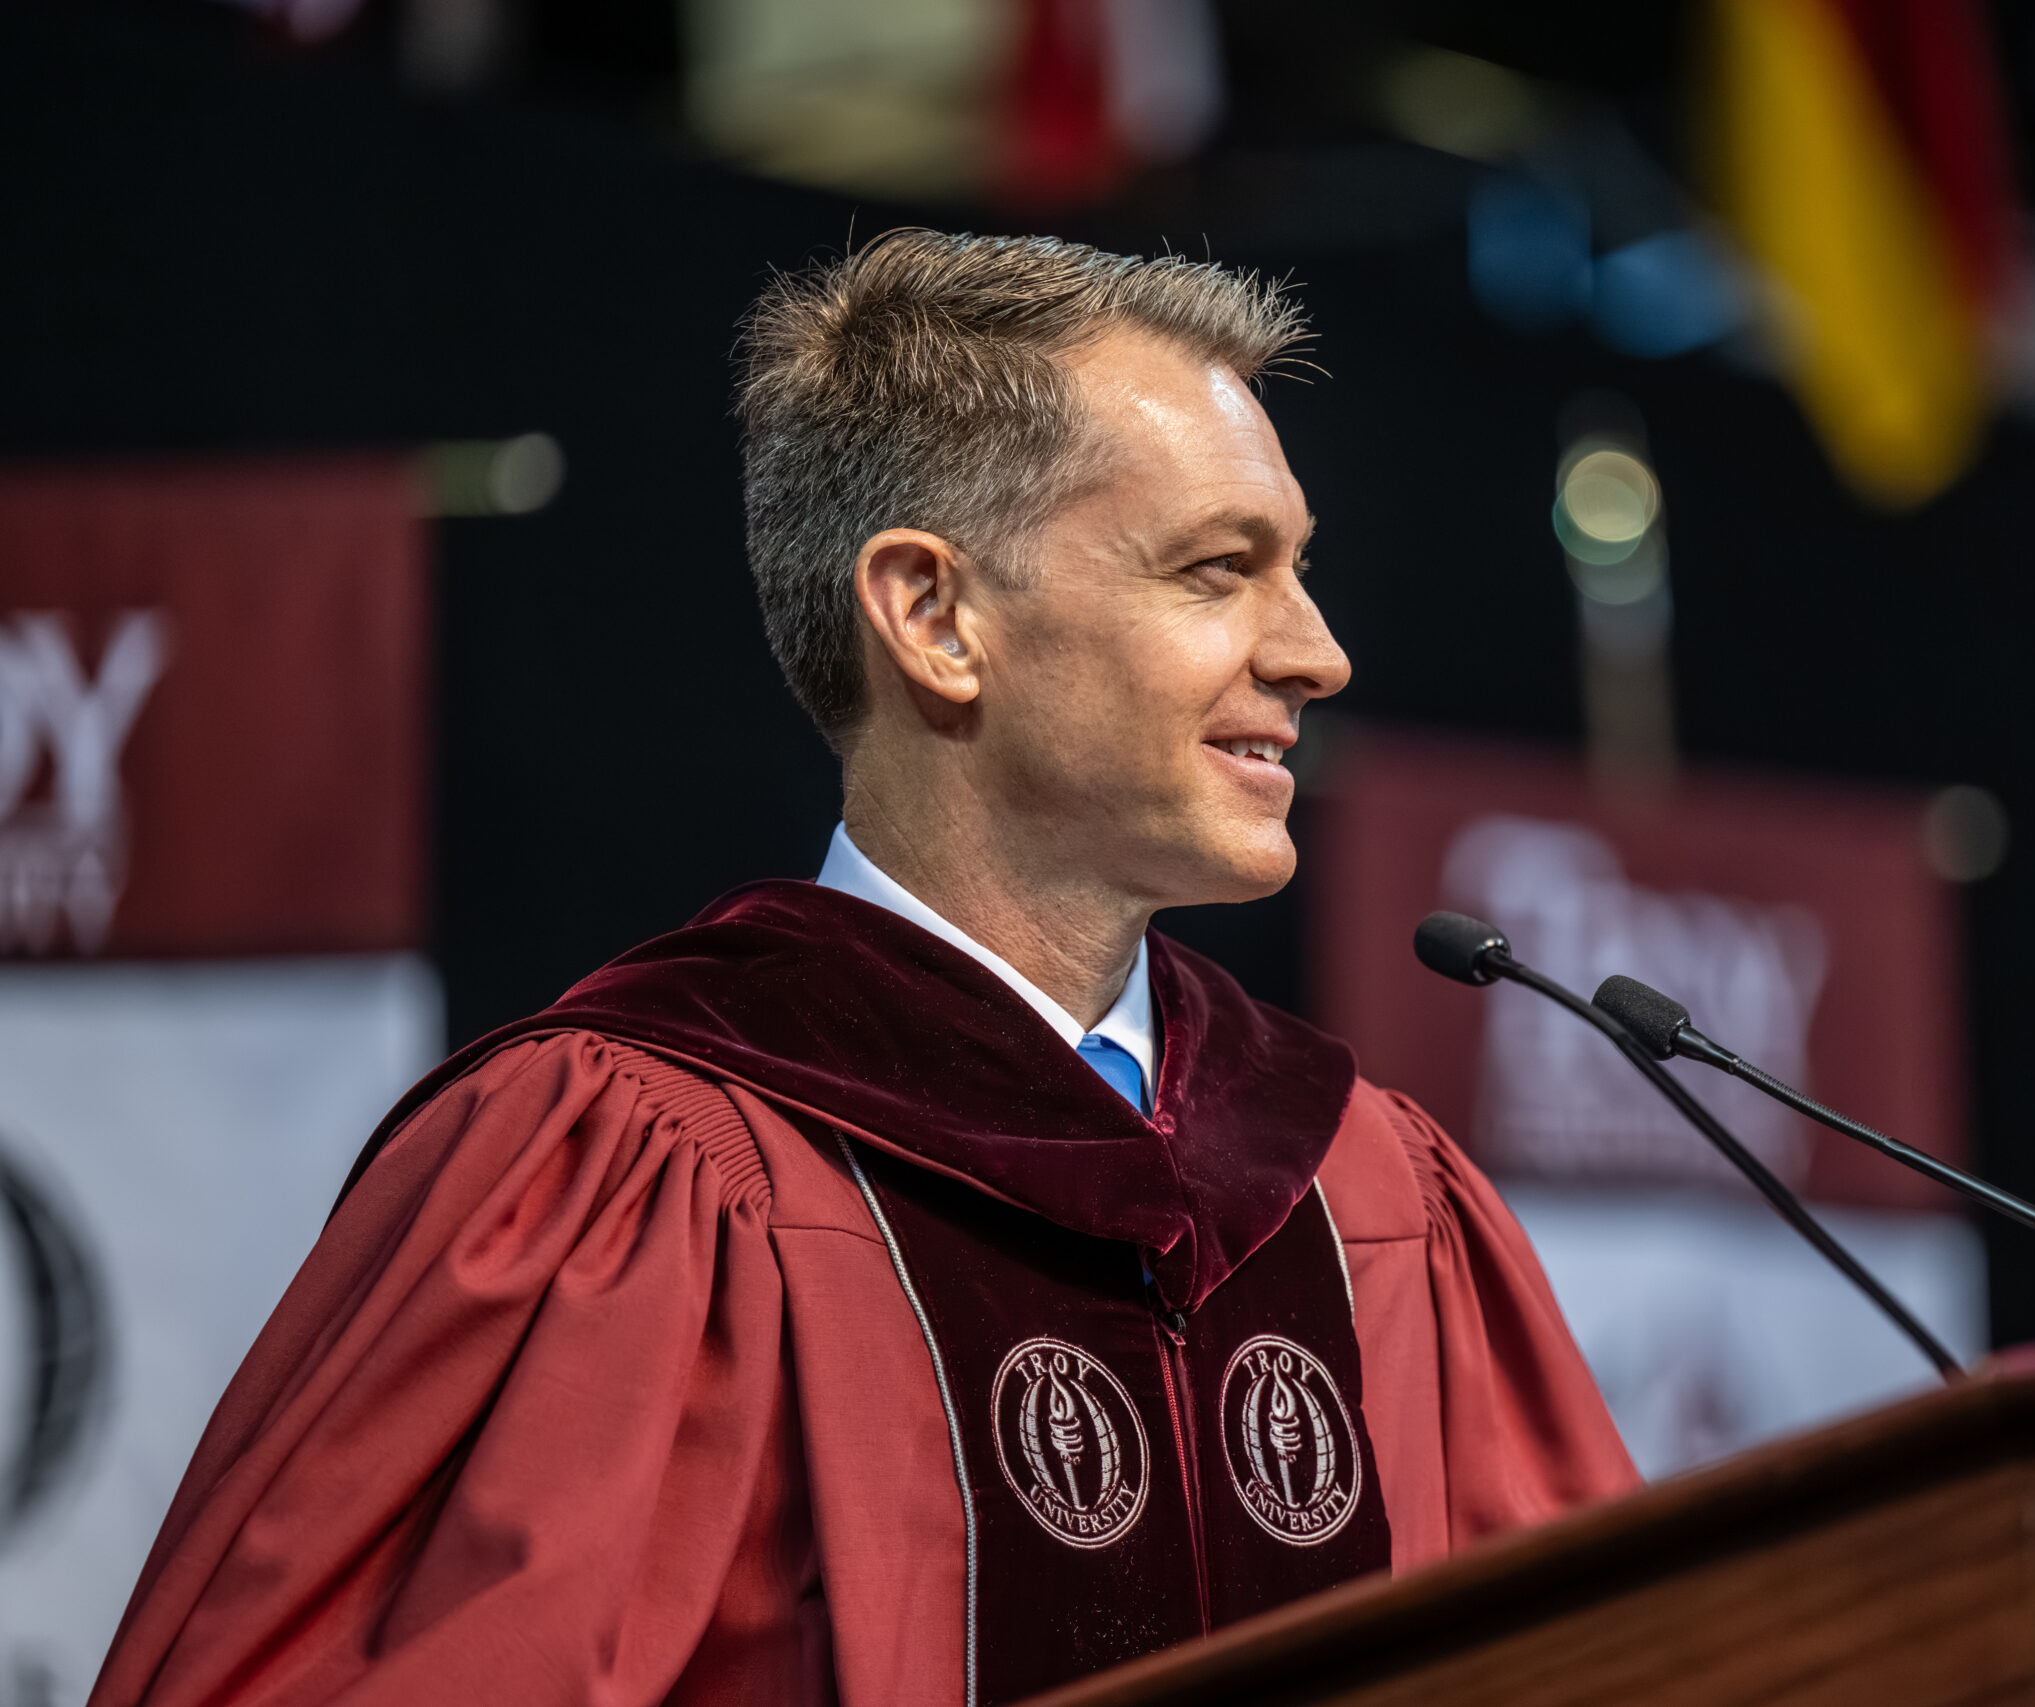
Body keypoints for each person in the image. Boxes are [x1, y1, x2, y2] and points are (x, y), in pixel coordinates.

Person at [90, 230, 1637, 1707]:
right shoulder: (634, 1174)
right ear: (934, 616)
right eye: (1218, 570)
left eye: (1296, 569)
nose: (1314, 653)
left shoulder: (1360, 1189)